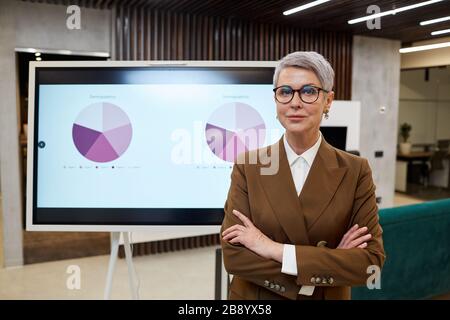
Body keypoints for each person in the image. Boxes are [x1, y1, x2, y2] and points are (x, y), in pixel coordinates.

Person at [220, 51, 385, 300]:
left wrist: (270, 248)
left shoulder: (355, 170)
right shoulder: (248, 165)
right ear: (276, 100)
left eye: (308, 91)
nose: (295, 102)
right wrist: (329, 261)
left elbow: (369, 264)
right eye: (285, 91)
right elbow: (235, 258)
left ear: (328, 101)